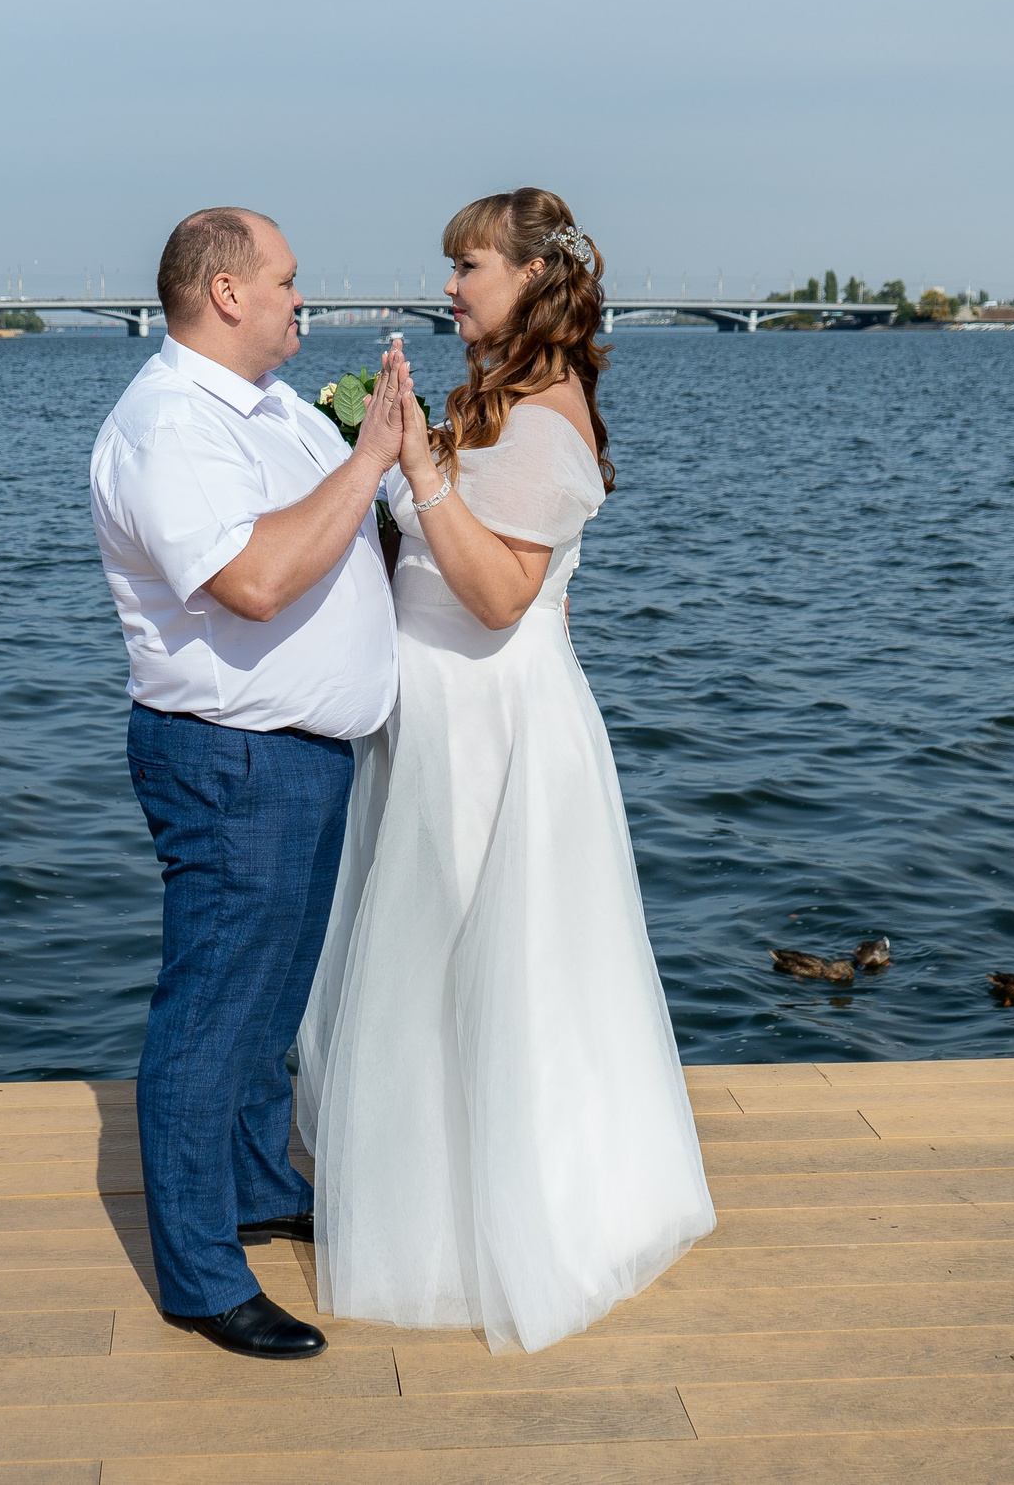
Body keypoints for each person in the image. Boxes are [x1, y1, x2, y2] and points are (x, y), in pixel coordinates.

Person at [296, 187, 715, 1355]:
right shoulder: (499, 400)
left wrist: (415, 464)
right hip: (439, 716)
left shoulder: (542, 421)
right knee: (429, 963)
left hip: (490, 725)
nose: (449, 286)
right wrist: (386, 467)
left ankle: (497, 1220)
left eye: (468, 265)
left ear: (532, 275)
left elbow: (495, 599)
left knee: (489, 961)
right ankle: (426, 1193)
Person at [88, 206, 412, 1361]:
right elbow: (256, 580)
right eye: (285, 280)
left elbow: (346, 543)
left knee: (268, 1004)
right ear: (226, 292)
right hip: (231, 756)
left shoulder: (272, 407)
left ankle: (256, 1183)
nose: (299, 299)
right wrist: (370, 455)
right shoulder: (168, 427)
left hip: (302, 750)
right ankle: (199, 1275)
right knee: (212, 1012)